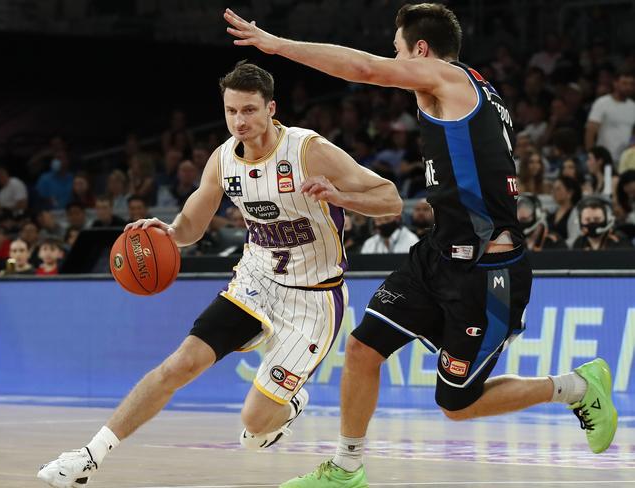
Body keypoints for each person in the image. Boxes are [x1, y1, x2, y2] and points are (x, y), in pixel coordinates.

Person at [224, 5, 618, 486]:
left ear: (422, 52)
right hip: (437, 255)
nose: (393, 59)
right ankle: (347, 468)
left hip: (487, 273)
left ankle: (576, 386)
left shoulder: (447, 79)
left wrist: (277, 45)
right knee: (364, 347)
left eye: (398, 51)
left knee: (456, 404)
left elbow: (365, 68)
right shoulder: (473, 92)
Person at [37, 61, 402, 488]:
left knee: (253, 428)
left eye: (248, 110)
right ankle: (88, 456)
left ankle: (289, 404)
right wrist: (169, 232)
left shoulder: (308, 150)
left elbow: (390, 199)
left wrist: (339, 196)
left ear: (271, 108)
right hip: (257, 280)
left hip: (314, 297)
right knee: (180, 364)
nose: (239, 121)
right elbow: (191, 226)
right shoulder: (223, 159)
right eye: (231, 111)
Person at [585, 68, 635, 161]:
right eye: (624, 83)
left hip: (625, 159)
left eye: (631, 84)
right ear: (615, 83)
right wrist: (591, 155)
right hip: (604, 158)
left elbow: (633, 133)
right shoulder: (602, 103)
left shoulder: (633, 106)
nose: (628, 87)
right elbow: (590, 130)